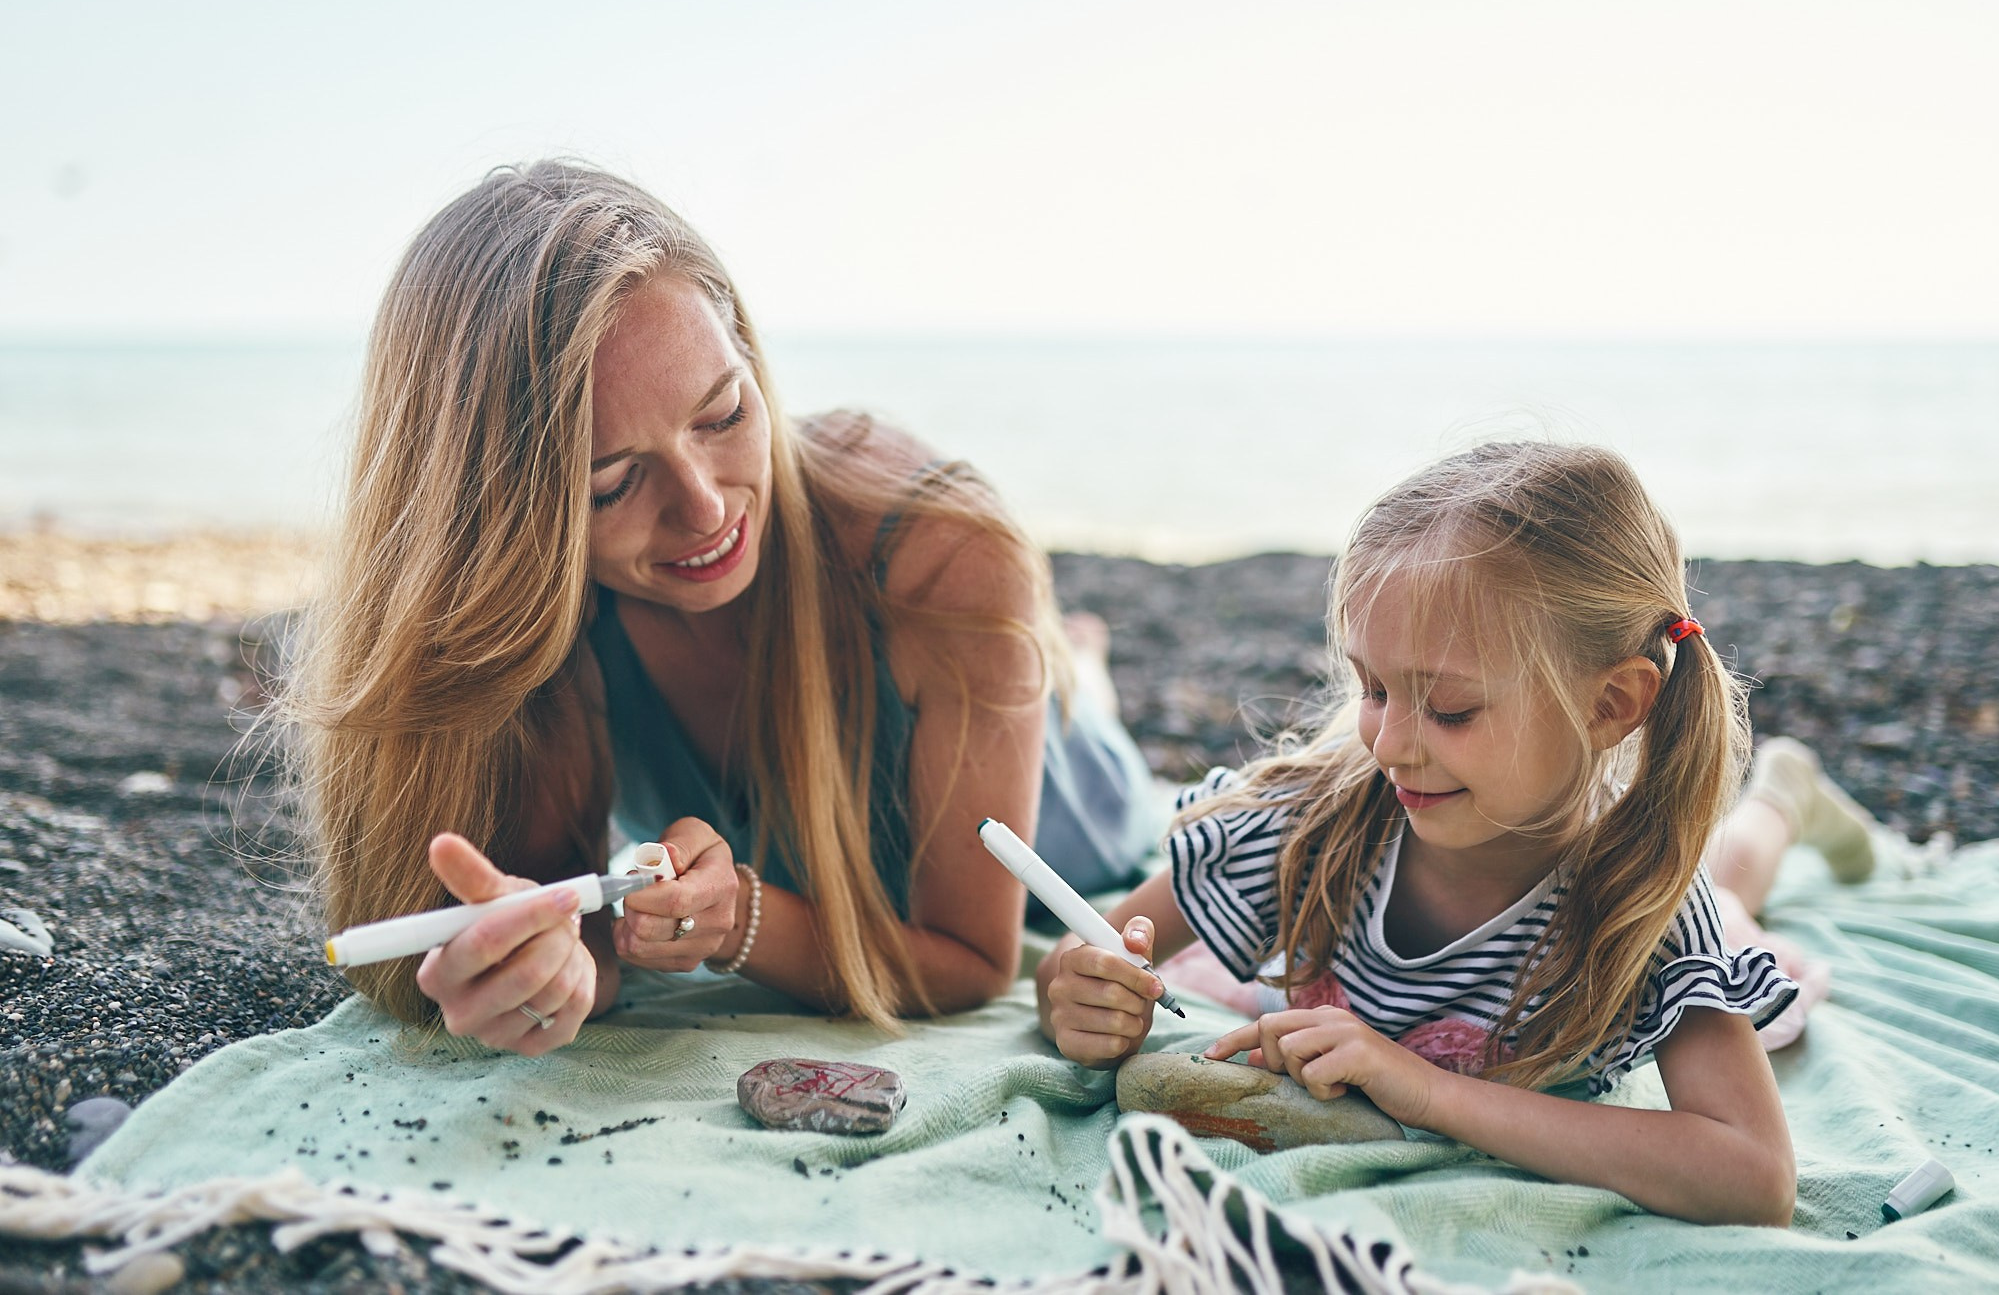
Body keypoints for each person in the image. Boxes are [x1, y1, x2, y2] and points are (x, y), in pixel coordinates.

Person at [287, 159, 1158, 1049]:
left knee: (1086, 744)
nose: (705, 509)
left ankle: (1078, 671)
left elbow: (974, 959)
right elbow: (568, 925)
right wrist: (553, 964)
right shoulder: (545, 623)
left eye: (723, 414)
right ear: (503, 517)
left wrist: (743, 917)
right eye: (612, 484)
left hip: (1061, 794)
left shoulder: (942, 557)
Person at [1036, 441, 1813, 1227]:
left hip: (1648, 876)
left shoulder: (1645, 906)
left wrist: (1432, 1091)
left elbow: (1755, 1177)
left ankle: (1785, 791)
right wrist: (1084, 995)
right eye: (1374, 688)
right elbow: (1083, 951)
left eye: (1449, 709)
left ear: (1612, 704)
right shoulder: (1309, 825)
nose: (1391, 745)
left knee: (1734, 873)